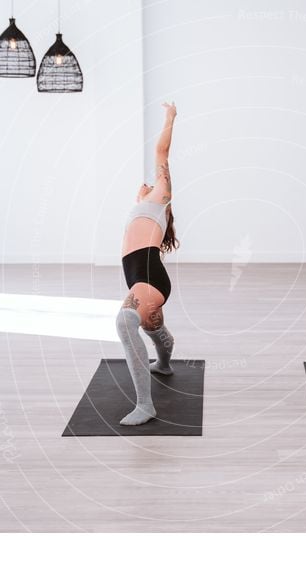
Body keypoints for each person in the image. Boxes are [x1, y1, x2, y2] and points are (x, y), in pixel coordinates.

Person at [115, 102, 179, 426]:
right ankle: (165, 362)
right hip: (141, 274)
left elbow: (161, 150)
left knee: (125, 323)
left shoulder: (161, 196)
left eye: (150, 183)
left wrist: (170, 117)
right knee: (152, 327)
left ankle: (145, 405)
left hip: (149, 274)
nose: (145, 183)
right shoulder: (142, 207)